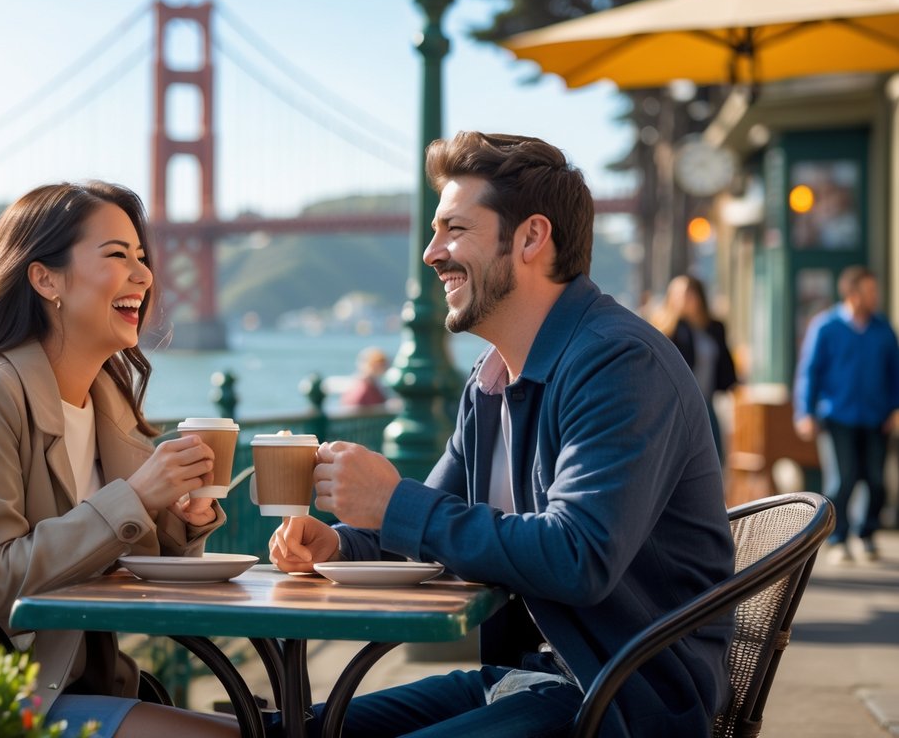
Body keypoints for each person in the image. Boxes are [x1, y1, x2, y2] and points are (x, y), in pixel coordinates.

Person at [270, 132, 735, 738]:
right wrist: (340, 546)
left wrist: (391, 502)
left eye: (455, 230)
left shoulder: (619, 363)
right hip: (533, 677)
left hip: (623, 698)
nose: (431, 253)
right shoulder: (490, 382)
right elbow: (421, 528)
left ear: (531, 238)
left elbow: (579, 556)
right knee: (290, 729)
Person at [0, 182, 237, 738]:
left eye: (142, 258)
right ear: (45, 278)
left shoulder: (106, 399)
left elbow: (119, 550)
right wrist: (139, 496)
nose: (144, 276)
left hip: (74, 684)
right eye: (118, 256)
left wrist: (182, 522)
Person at [793, 265, 899, 564]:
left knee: (877, 481)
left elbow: (896, 372)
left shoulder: (883, 329)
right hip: (838, 416)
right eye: (869, 291)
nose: (875, 296)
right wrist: (805, 412)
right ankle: (839, 539)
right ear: (853, 294)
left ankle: (867, 535)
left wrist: (896, 407)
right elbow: (809, 373)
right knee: (843, 479)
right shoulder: (826, 327)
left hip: (877, 417)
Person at [653, 274, 738, 461]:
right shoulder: (668, 331)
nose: (684, 299)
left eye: (689, 293)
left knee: (713, 458)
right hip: (678, 407)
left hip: (707, 403)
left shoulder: (714, 328)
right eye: (679, 295)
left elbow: (725, 365)